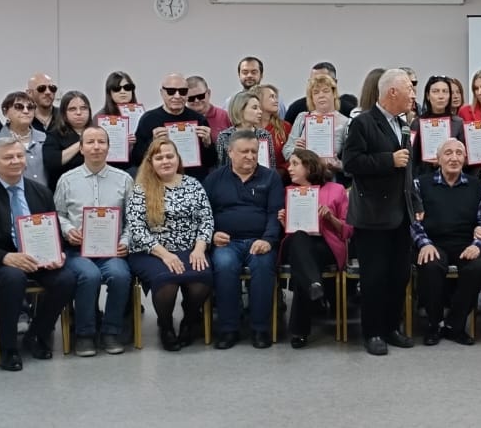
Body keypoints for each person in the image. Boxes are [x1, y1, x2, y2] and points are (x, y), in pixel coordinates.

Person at [0, 138, 76, 371]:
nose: (15, 161)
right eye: (8, 157)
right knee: (13, 278)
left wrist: (58, 253)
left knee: (66, 278)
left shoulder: (41, 192)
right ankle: (8, 347)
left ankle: (36, 334)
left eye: (19, 156)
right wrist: (6, 258)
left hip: (37, 257)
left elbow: (54, 230)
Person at [340, 68, 422, 356]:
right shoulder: (362, 123)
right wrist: (388, 160)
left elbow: (408, 169)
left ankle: (391, 327)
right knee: (374, 277)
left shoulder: (402, 124)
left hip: (401, 213)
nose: (413, 95)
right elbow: (350, 163)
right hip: (373, 215)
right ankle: (373, 332)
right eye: (409, 89)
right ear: (392, 92)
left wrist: (416, 203)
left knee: (399, 275)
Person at [53, 125, 134, 357]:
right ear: (81, 148)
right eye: (90, 142)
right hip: (77, 251)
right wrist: (68, 230)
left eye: (101, 142)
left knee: (120, 275)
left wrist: (126, 241)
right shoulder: (67, 180)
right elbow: (57, 214)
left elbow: (134, 218)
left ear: (109, 147)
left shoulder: (124, 179)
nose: (96, 147)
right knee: (89, 276)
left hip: (112, 250)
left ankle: (111, 331)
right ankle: (85, 334)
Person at [126, 138, 213, 352]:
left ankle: (189, 321)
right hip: (151, 252)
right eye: (159, 157)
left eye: (169, 156)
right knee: (167, 281)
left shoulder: (193, 184)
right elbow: (136, 229)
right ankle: (165, 327)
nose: (165, 161)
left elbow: (206, 219)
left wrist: (200, 248)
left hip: (190, 248)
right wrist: (165, 255)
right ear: (151, 162)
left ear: (178, 159)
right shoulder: (141, 188)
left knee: (201, 279)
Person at [204, 130, 285, 350]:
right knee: (224, 265)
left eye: (254, 151)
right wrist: (212, 234)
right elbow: (203, 214)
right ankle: (228, 328)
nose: (250, 156)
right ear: (230, 152)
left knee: (263, 266)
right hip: (226, 242)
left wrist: (268, 240)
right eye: (244, 151)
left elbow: (275, 213)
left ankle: (260, 328)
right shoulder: (214, 179)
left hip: (259, 240)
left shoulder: (271, 178)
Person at [411, 140, 481, 346]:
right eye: (448, 153)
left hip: (465, 243)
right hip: (432, 242)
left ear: (465, 159)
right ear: (438, 159)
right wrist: (424, 243)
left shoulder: (478, 186)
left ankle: (455, 324)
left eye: (459, 153)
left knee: (477, 267)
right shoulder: (420, 184)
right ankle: (435, 323)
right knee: (430, 264)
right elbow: (412, 221)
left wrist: (477, 245)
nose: (454, 158)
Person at [278, 149, 350, 349]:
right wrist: (284, 223)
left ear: (309, 167)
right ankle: (314, 284)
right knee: (300, 239)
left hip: (325, 245)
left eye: (295, 164)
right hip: (297, 243)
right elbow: (288, 232)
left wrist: (330, 218)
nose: (289, 168)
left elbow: (348, 230)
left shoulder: (336, 189)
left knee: (303, 265)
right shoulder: (289, 192)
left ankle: (300, 330)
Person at [130, 73, 217, 179]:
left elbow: (211, 162)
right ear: (162, 93)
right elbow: (137, 160)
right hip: (159, 181)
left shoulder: (199, 119)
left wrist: (208, 144)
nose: (177, 96)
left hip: (193, 181)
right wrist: (152, 143)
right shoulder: (148, 120)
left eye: (182, 91)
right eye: (171, 91)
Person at [283, 74, 352, 178]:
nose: (321, 95)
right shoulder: (302, 118)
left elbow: (352, 165)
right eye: (316, 92)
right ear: (312, 98)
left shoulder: (346, 123)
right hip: (303, 181)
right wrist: (296, 150)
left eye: (326, 91)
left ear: (334, 94)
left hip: (331, 180)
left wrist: (338, 165)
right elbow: (286, 151)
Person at [0, 91, 48, 187]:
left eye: (30, 107)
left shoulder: (45, 139)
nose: (26, 111)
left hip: (43, 195)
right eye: (19, 107)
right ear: (5, 112)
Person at [411, 75, 466, 177]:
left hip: (452, 178)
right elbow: (412, 158)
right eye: (435, 91)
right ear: (428, 95)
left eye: (445, 91)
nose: (441, 96)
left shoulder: (458, 123)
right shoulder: (417, 123)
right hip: (424, 178)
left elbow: (464, 157)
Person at [42, 91, 93, 189]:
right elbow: (52, 163)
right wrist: (82, 142)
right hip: (65, 188)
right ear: (64, 113)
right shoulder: (54, 134)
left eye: (83, 108)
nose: (79, 113)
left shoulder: (98, 132)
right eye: (72, 109)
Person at [214, 91, 274, 170]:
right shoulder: (225, 136)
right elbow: (220, 168)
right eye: (255, 108)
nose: (260, 112)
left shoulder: (264, 135)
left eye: (260, 108)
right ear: (241, 110)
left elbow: (272, 166)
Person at [284, 62, 358, 123]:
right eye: (313, 81)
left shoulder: (348, 111)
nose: (317, 83)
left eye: (323, 80)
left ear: (334, 82)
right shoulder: (296, 109)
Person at [252, 83, 292, 178]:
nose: (276, 100)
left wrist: (282, 171)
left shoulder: (285, 127)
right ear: (258, 100)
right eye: (271, 97)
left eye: (276, 97)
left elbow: (293, 156)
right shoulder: (248, 128)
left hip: (280, 178)